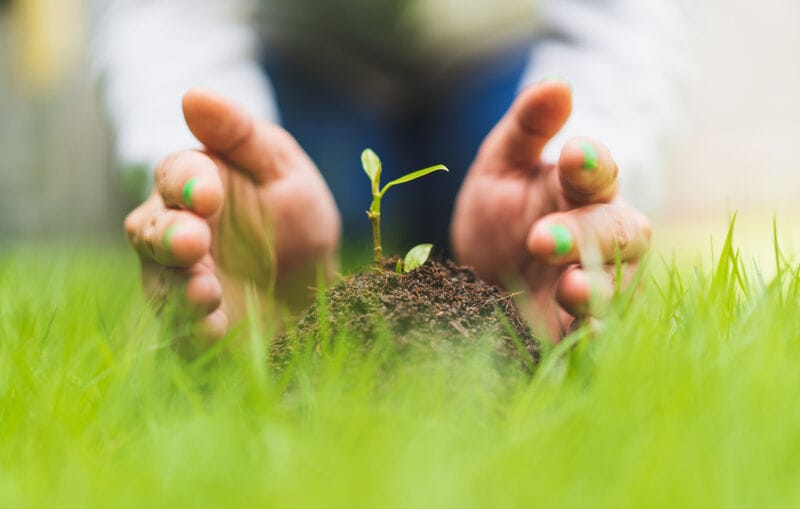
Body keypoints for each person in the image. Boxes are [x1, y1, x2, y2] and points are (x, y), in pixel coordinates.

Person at [93, 0, 686, 342]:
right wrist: (209, 179)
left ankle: (500, 232)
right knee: (327, 194)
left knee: (506, 192)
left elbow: (624, 22)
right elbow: (164, 19)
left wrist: (577, 181)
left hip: (501, 60)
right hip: (304, 69)